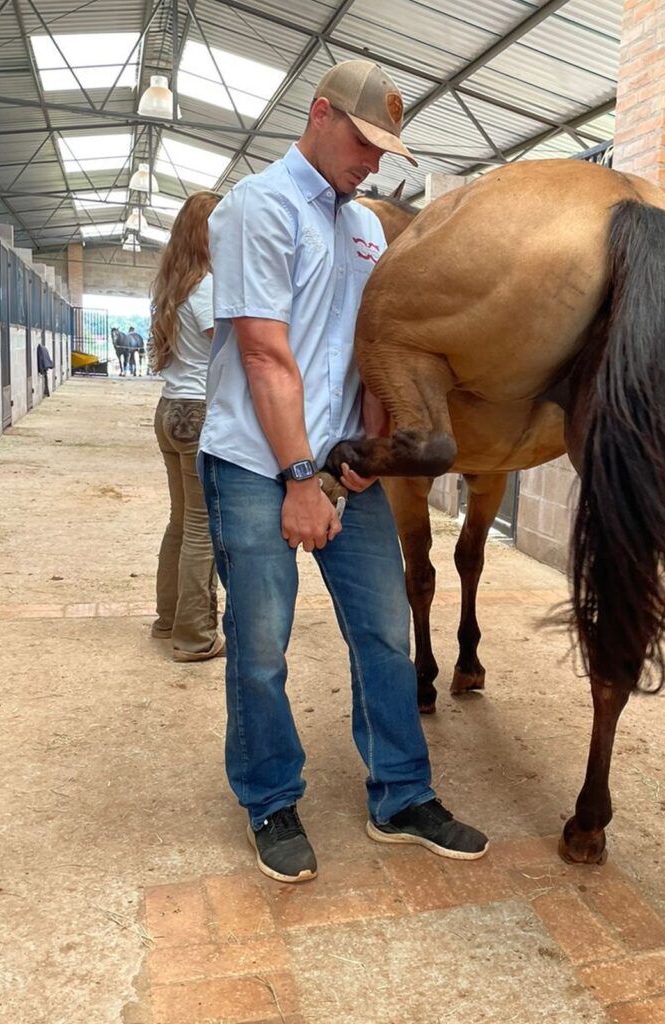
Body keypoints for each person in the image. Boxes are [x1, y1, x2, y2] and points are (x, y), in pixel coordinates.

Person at [199, 59, 488, 884]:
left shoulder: (365, 227)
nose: (371, 162)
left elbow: (370, 351)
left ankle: (401, 793)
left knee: (384, 634)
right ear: (318, 115)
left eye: (382, 150)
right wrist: (297, 478)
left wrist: (367, 449)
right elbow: (264, 352)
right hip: (260, 462)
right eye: (362, 142)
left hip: (343, 464)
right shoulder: (258, 207)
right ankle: (269, 797)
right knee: (262, 644)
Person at [149, 192, 225, 662]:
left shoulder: (172, 286)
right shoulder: (208, 287)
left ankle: (167, 619)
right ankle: (195, 637)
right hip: (199, 411)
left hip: (169, 410)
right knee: (201, 527)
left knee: (181, 520)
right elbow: (228, 352)